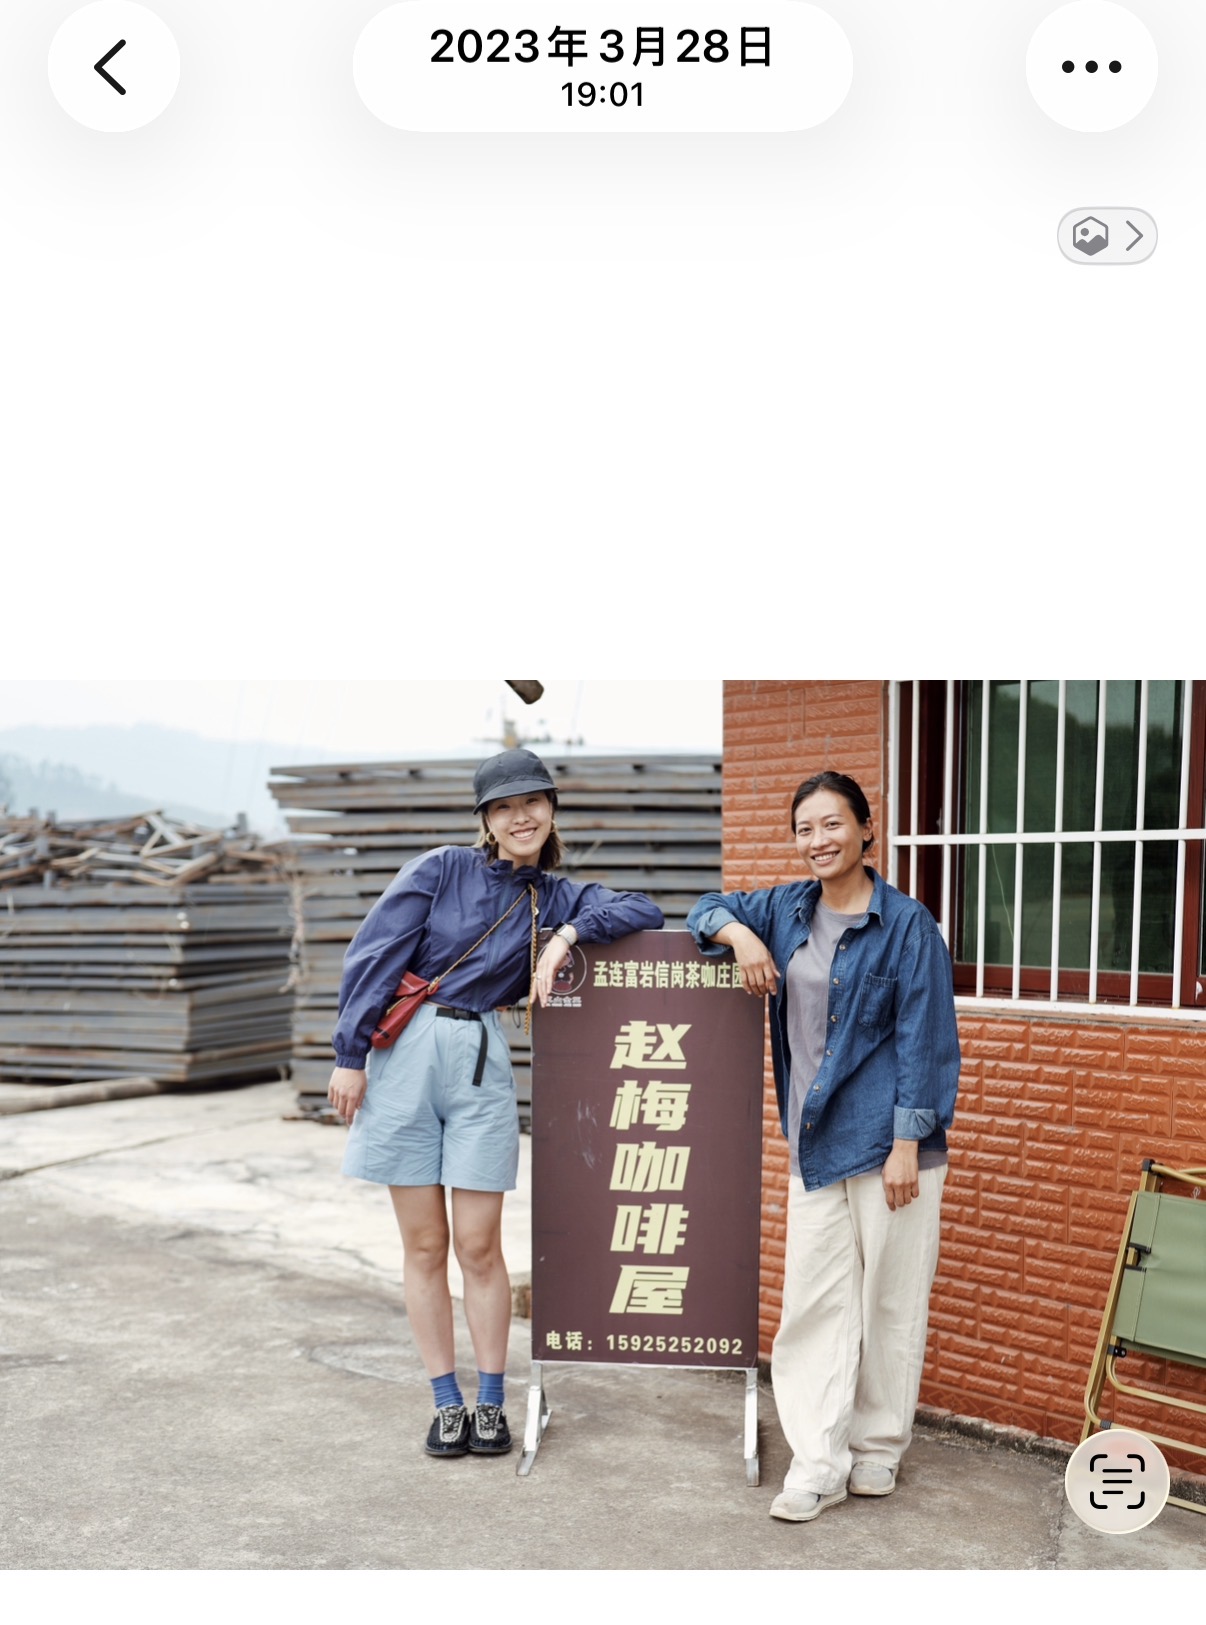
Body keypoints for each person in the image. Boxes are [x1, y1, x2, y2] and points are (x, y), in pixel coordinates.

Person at [328, 747, 664, 1460]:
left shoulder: (555, 896)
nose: (520, 817)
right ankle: (445, 1402)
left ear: (551, 809)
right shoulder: (441, 869)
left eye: (532, 802)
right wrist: (350, 1056)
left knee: (479, 1245)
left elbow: (643, 907)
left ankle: (490, 1400)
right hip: (407, 1054)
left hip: (481, 1058)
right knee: (425, 1244)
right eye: (504, 807)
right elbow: (374, 953)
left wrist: (565, 936)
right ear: (485, 819)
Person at [687, 770, 959, 1523]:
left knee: (891, 1302)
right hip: (816, 1145)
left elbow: (927, 1039)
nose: (818, 840)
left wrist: (907, 1143)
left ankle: (878, 1448)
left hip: (890, 1145)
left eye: (833, 824)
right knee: (813, 1304)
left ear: (867, 829)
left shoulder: (907, 925)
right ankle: (816, 1463)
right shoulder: (785, 909)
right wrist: (741, 936)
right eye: (805, 828)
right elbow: (704, 909)